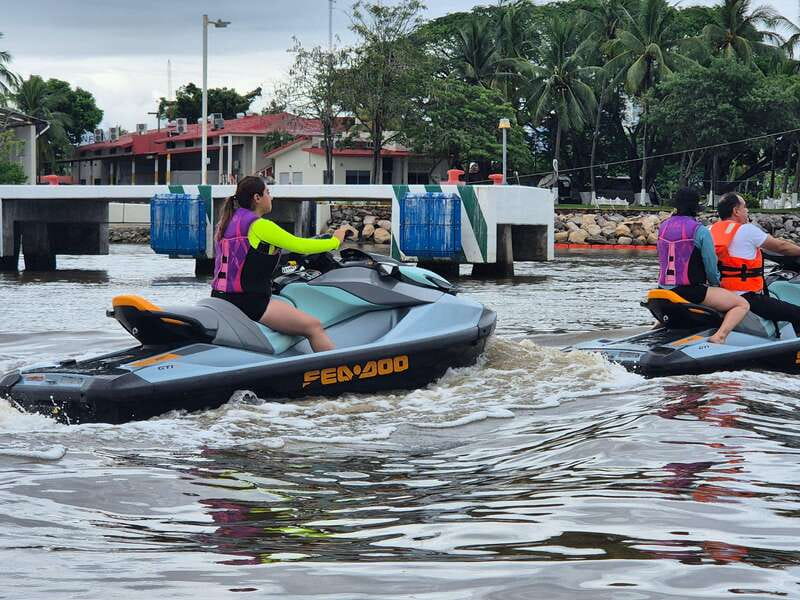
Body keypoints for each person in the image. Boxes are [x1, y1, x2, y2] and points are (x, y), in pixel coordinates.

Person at [211, 176, 349, 352]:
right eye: (268, 192)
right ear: (257, 198)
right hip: (248, 302)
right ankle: (334, 373)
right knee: (314, 327)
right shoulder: (259, 225)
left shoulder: (225, 223)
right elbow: (300, 245)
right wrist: (335, 241)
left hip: (219, 296)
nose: (272, 197)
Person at [657, 187, 749, 344]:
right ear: (696, 208)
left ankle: (656, 329)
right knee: (741, 304)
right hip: (690, 291)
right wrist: (717, 285)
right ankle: (719, 337)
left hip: (661, 289)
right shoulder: (699, 230)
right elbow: (711, 266)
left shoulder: (663, 226)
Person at [710, 192, 800, 332]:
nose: (747, 211)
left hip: (721, 295)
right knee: (796, 313)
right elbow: (782, 247)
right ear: (736, 211)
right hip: (747, 296)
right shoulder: (747, 229)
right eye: (745, 207)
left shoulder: (711, 229)